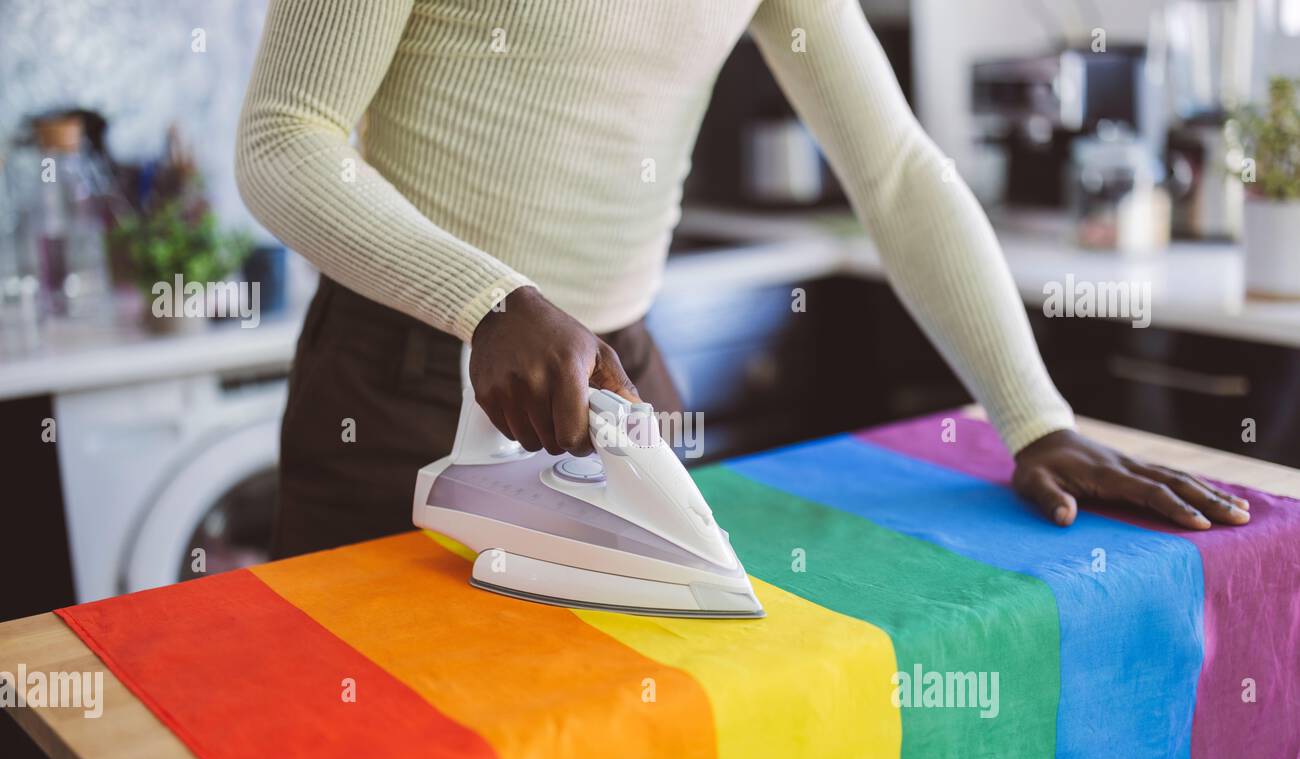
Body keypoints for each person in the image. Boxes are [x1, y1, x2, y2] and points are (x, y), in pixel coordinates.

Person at [235, 0, 1250, 559]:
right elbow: (285, 140)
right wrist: (485, 298)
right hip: (403, 372)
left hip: (618, 375)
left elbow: (895, 173)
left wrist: (1036, 420)